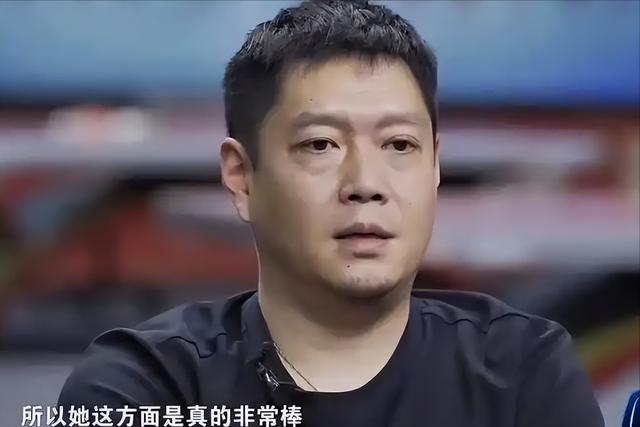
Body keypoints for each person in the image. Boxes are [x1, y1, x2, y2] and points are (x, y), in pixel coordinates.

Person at [58, 1, 605, 426]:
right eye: (320, 145)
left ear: (435, 166)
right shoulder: (144, 389)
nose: (365, 184)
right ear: (241, 176)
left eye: (399, 145)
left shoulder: (522, 371)